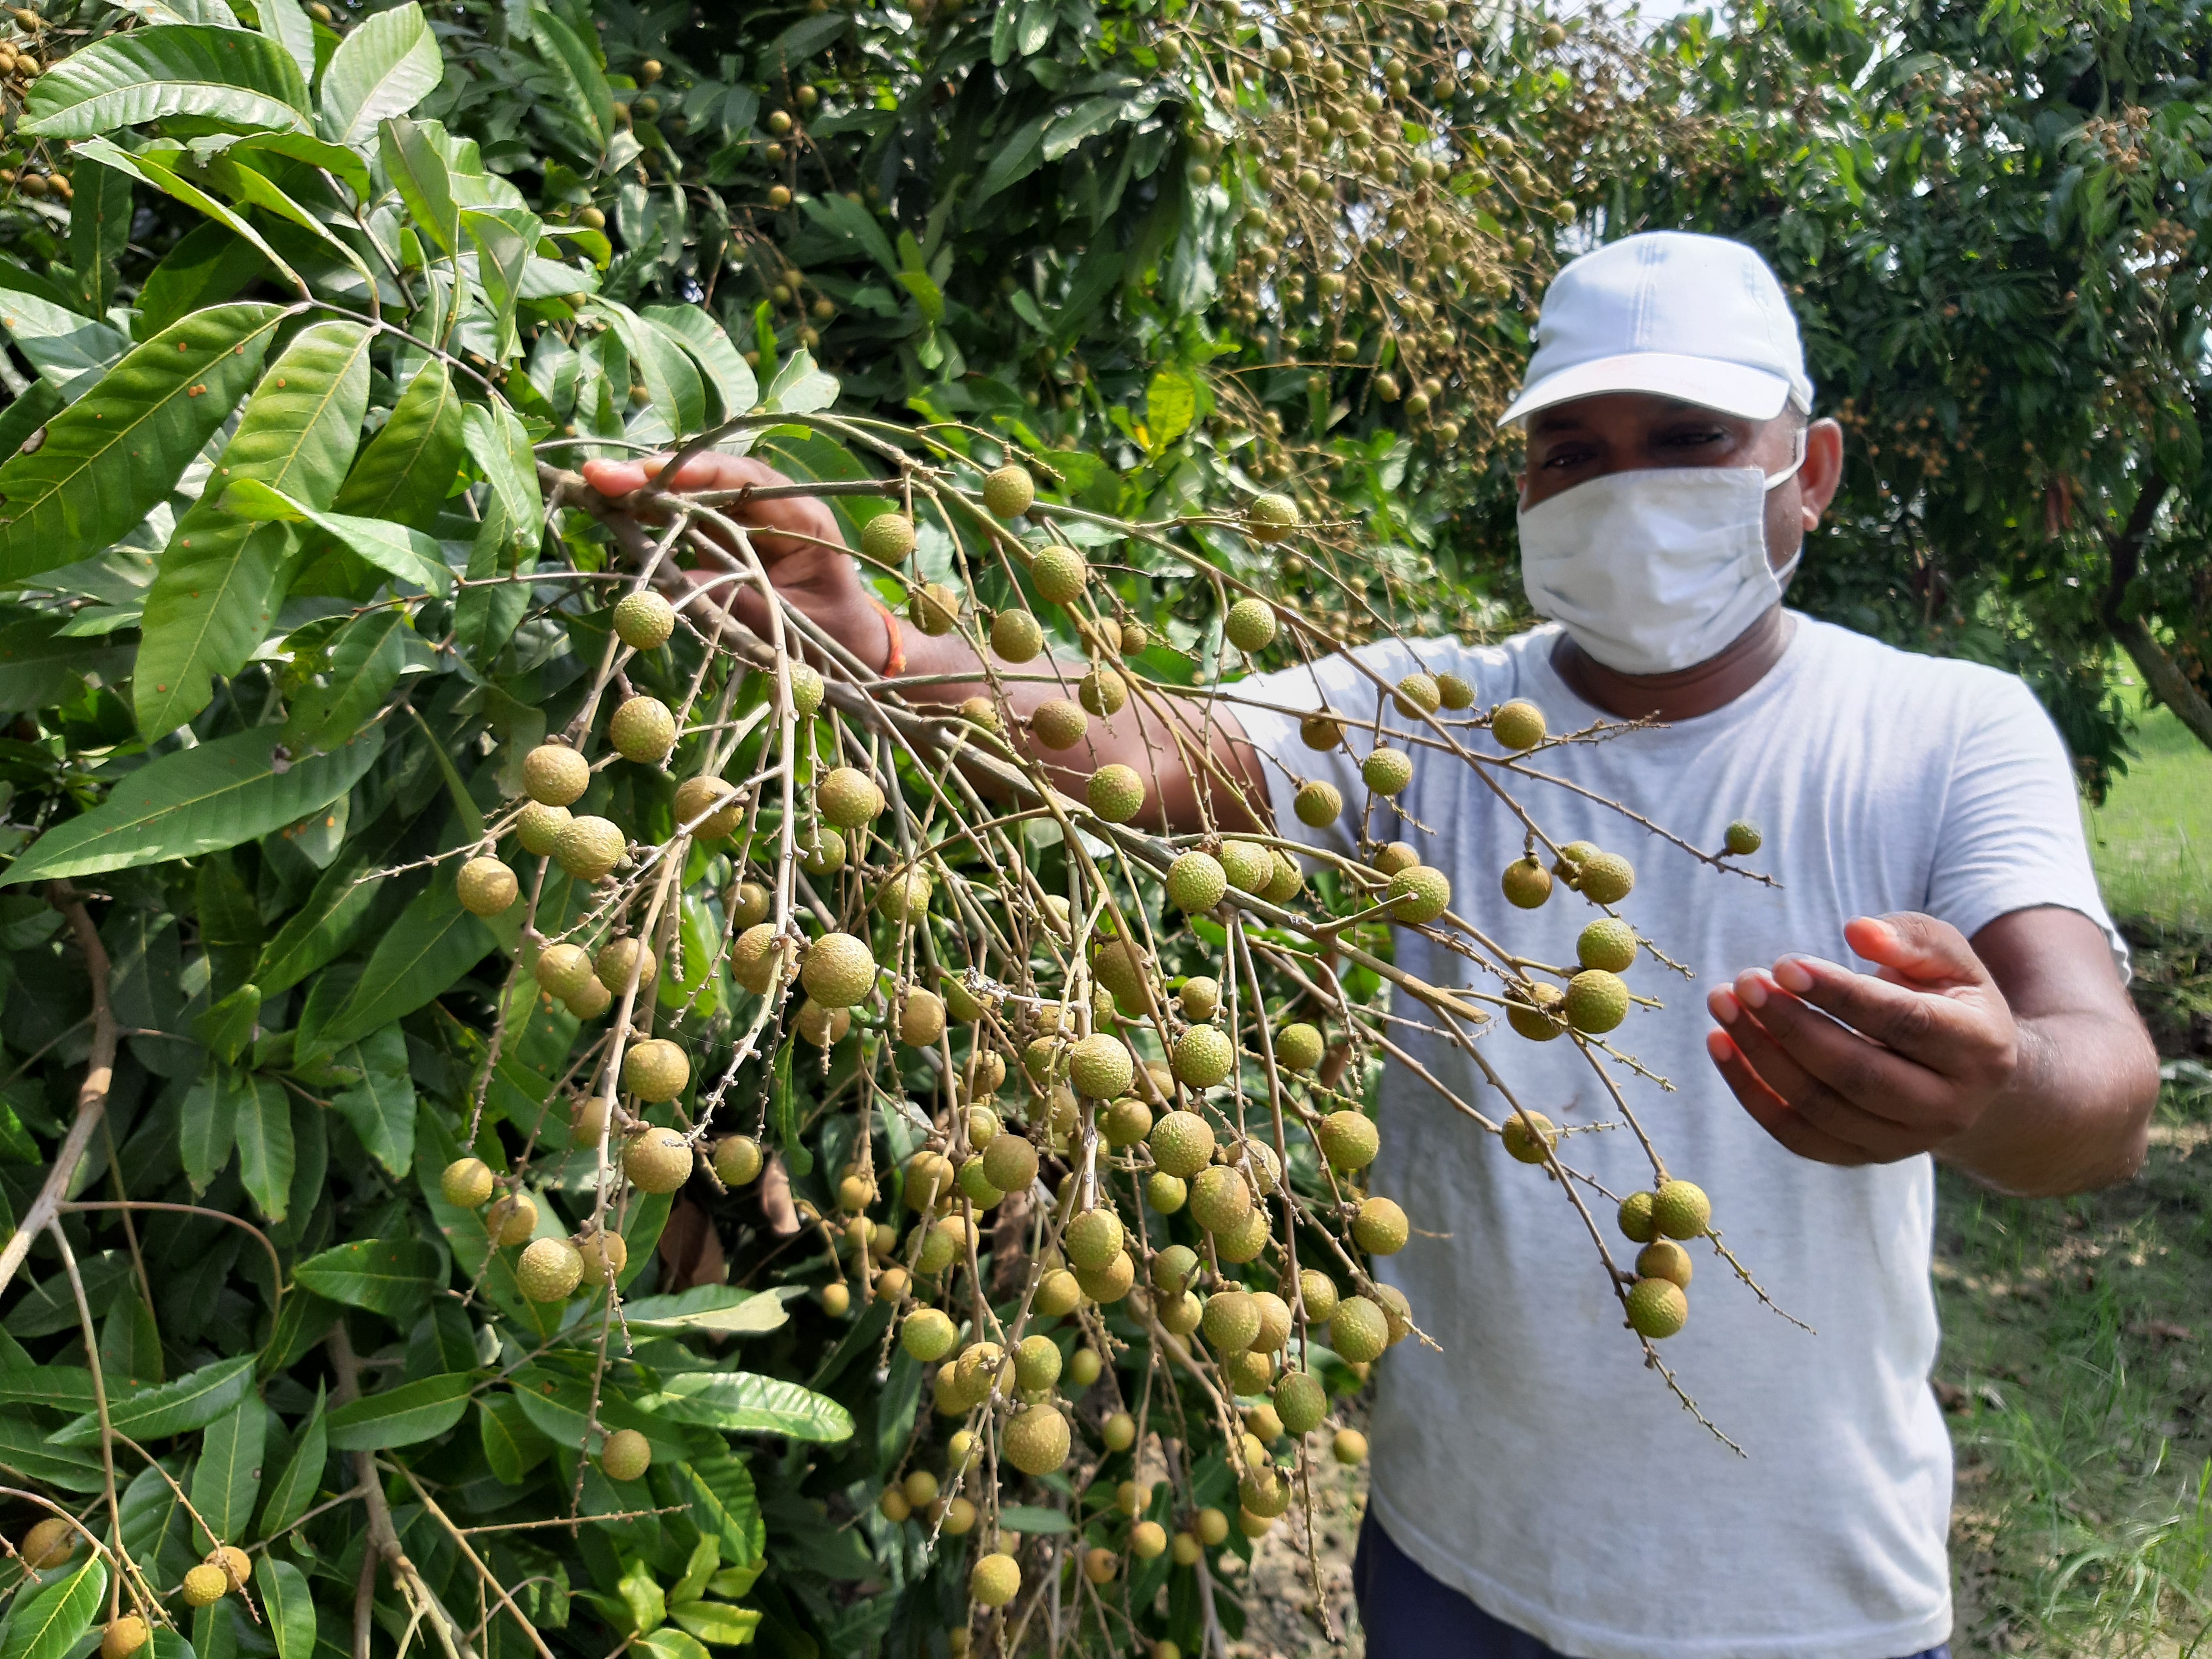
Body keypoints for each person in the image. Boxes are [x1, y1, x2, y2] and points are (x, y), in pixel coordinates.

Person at [585, 230, 2161, 1659]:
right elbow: (1138, 742)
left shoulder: (1944, 729)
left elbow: (2104, 1091)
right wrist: (870, 644)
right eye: (1571, 452)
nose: (1626, 485)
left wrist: (1998, 1080)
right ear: (1529, 490)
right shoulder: (1440, 716)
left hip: (1808, 1601)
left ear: (1807, 470)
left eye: (1689, 441)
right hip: (1451, 1566)